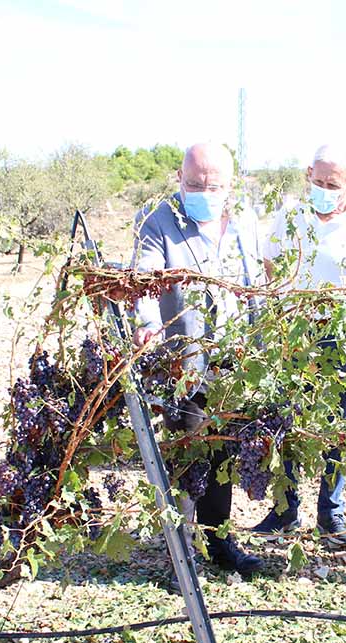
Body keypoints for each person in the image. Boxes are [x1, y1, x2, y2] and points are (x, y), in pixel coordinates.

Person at [131, 142, 264, 576]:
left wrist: (263, 344)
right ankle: (181, 554)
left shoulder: (244, 221)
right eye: (194, 184)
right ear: (179, 179)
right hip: (184, 361)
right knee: (189, 455)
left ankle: (218, 541)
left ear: (230, 185)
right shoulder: (158, 222)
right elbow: (145, 280)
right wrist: (147, 323)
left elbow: (256, 282)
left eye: (214, 185)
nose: (204, 192)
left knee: (224, 453)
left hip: (236, 358)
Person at [251, 145, 346, 550]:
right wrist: (278, 315)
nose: (324, 190)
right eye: (318, 181)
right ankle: (284, 509)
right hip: (293, 338)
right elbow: (270, 264)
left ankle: (331, 514)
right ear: (308, 174)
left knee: (337, 428)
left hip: (343, 343)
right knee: (286, 424)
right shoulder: (289, 216)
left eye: (333, 184)